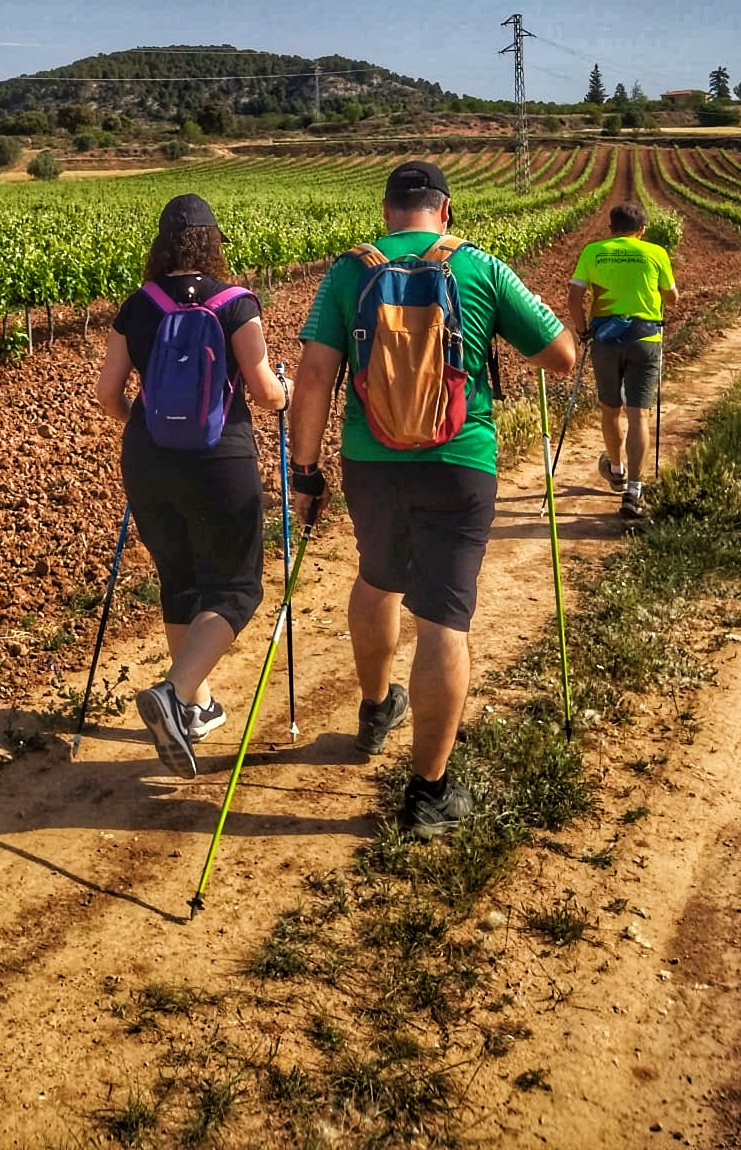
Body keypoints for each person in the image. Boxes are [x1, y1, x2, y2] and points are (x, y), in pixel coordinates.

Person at [288, 160, 575, 841]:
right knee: (444, 620)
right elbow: (561, 355)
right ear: (444, 211)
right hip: (458, 461)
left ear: (388, 212)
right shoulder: (478, 267)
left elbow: (314, 374)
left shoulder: (348, 269)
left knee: (378, 576)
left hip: (370, 461)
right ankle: (428, 794)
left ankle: (372, 709)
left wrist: (304, 472)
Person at [95, 194, 290, 778]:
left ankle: (197, 706)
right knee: (235, 589)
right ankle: (176, 693)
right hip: (219, 459)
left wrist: (149, 428)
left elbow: (107, 395)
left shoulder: (138, 306)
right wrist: (283, 389)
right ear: (213, 243)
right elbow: (262, 391)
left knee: (178, 580)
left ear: (161, 244)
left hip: (149, 461)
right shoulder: (236, 304)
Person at [567, 203, 679, 522]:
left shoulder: (594, 252)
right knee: (638, 414)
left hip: (605, 339)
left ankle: (615, 470)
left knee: (610, 409)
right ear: (641, 230)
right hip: (645, 339)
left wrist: (582, 330)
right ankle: (634, 490)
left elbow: (573, 298)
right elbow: (672, 298)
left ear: (610, 228)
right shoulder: (655, 252)